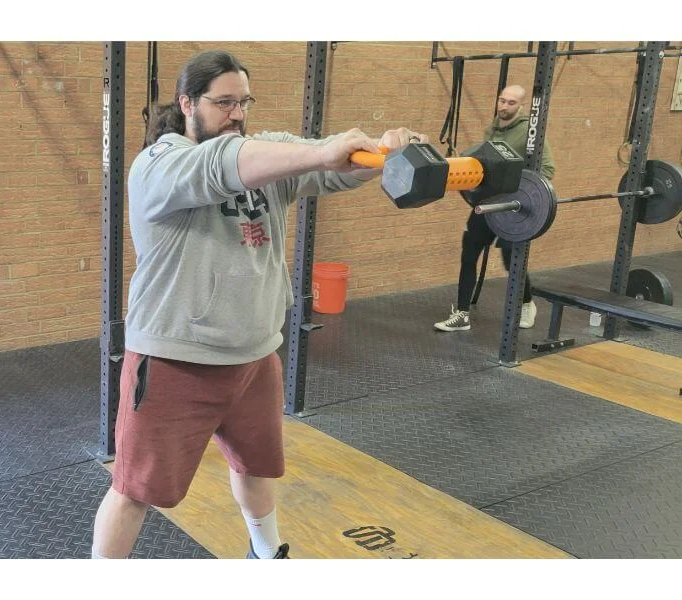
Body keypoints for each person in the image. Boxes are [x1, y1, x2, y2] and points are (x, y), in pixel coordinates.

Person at [90, 50, 427, 559]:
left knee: (256, 466)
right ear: (187, 103)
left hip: (253, 356)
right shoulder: (160, 163)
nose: (237, 114)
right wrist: (320, 151)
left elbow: (333, 168)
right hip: (176, 360)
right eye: (223, 102)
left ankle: (266, 556)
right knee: (135, 490)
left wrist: (388, 153)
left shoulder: (266, 154)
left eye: (243, 101)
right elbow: (227, 165)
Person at [434, 84, 555, 332]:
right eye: (502, 100)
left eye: (511, 103)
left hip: (514, 208)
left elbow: (547, 169)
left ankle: (526, 304)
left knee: (512, 260)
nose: (504, 106)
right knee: (469, 253)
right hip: (488, 203)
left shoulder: (530, 133)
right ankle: (462, 314)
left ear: (521, 107)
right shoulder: (493, 129)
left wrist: (521, 190)